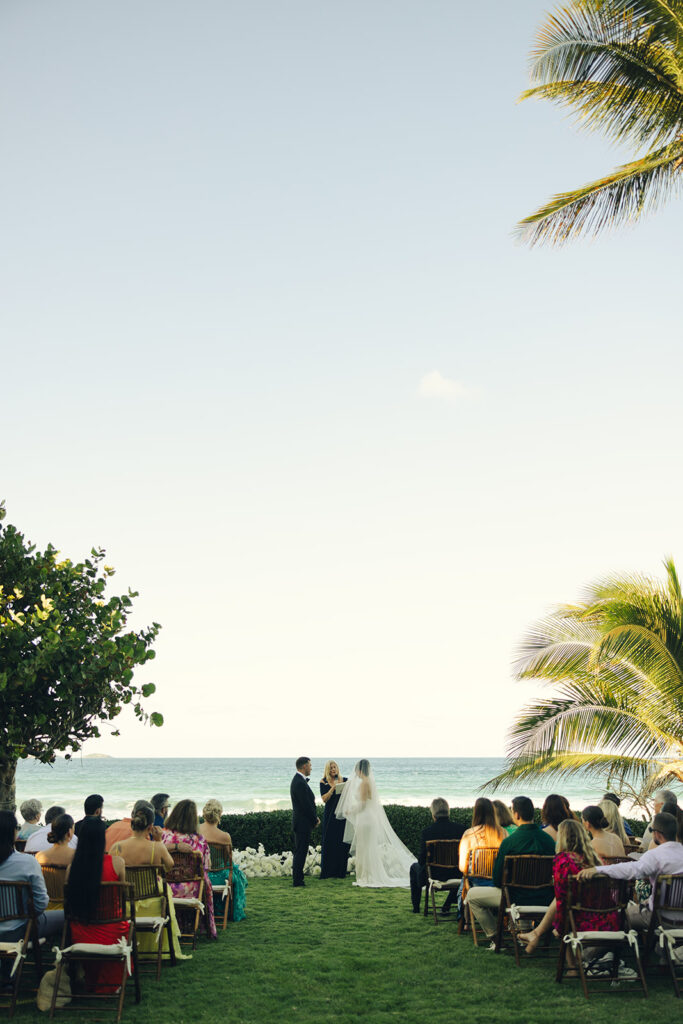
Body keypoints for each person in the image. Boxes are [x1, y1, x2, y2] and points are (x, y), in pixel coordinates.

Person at [465, 796, 556, 944]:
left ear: (517, 815)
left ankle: (496, 936)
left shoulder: (510, 842)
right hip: (545, 897)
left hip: (515, 897)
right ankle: (525, 935)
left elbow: (497, 878)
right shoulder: (548, 841)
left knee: (472, 896)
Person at [578, 811, 683, 933]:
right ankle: (658, 947)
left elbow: (631, 870)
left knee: (619, 919)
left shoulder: (655, 856)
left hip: (660, 918)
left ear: (657, 834)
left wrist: (598, 869)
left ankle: (602, 951)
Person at [519, 818, 610, 954]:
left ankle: (571, 966)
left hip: (580, 920)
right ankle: (535, 934)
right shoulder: (594, 859)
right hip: (607, 918)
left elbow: (562, 898)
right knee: (565, 902)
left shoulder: (564, 861)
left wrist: (559, 927)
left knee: (565, 904)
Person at [108, 803, 185, 961]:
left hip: (126, 901)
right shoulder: (156, 847)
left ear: (132, 824)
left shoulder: (116, 847)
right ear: (150, 827)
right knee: (166, 891)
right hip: (152, 901)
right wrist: (158, 841)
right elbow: (169, 867)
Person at [0, 811, 63, 992]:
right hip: (20, 929)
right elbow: (41, 903)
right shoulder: (27, 863)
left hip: (16, 928)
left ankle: (7, 975)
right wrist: (30, 914)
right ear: (13, 833)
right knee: (69, 916)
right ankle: (66, 974)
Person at [65, 817, 128, 994]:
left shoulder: (73, 868)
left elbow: (69, 902)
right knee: (126, 923)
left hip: (81, 932)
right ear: (102, 838)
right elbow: (123, 897)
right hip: (112, 931)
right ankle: (109, 982)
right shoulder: (117, 863)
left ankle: (88, 977)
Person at [335, 759, 414, 887]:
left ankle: (366, 877)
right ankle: (368, 876)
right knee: (367, 848)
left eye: (356, 772)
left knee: (364, 848)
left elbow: (362, 804)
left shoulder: (364, 783)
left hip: (365, 818)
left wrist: (350, 810)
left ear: (360, 771)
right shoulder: (369, 782)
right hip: (368, 818)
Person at [162, 799, 217, 939]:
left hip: (167, 887)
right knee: (205, 880)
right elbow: (206, 866)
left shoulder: (164, 836)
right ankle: (203, 927)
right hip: (193, 888)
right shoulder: (199, 839)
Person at [409, 798, 465, 914]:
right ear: (448, 812)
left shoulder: (427, 832)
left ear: (433, 814)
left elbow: (421, 860)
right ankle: (447, 904)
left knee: (414, 868)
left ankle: (416, 907)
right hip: (456, 873)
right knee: (463, 876)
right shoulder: (461, 830)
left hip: (433, 875)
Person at [199, 799, 248, 921]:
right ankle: (229, 910)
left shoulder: (195, 831)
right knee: (236, 873)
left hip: (201, 875)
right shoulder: (224, 836)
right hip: (220, 876)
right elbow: (227, 860)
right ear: (219, 815)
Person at [290, 757, 319, 888]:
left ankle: (298, 878)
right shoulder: (299, 782)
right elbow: (305, 805)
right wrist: (315, 819)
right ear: (304, 766)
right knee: (301, 852)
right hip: (302, 823)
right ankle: (297, 880)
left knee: (300, 851)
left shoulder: (299, 781)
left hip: (302, 823)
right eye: (310, 765)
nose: (311, 768)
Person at [459, 798, 506, 877]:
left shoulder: (469, 834)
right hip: (498, 881)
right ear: (493, 812)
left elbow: (463, 867)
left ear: (476, 813)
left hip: (475, 883)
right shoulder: (503, 832)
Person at [319, 760, 350, 879]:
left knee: (341, 842)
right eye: (331, 768)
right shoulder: (324, 782)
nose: (333, 769)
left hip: (342, 816)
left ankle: (340, 871)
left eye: (335, 767)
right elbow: (324, 799)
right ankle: (327, 871)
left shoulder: (345, 780)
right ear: (327, 769)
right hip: (330, 815)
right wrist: (332, 789)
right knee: (329, 842)